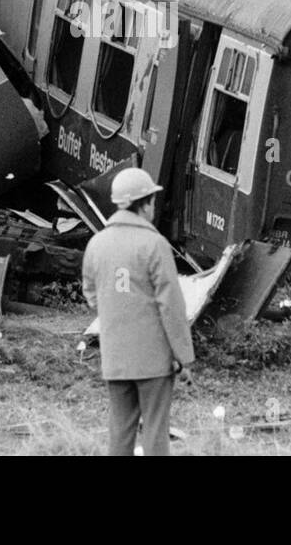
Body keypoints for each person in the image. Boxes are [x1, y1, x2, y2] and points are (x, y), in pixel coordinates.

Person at [82, 167, 194, 456]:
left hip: (115, 356)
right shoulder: (154, 244)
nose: (154, 208)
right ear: (143, 204)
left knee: (120, 432)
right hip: (153, 359)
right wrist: (184, 356)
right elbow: (171, 305)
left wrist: (116, 312)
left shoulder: (97, 244)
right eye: (152, 201)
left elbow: (92, 294)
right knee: (156, 431)